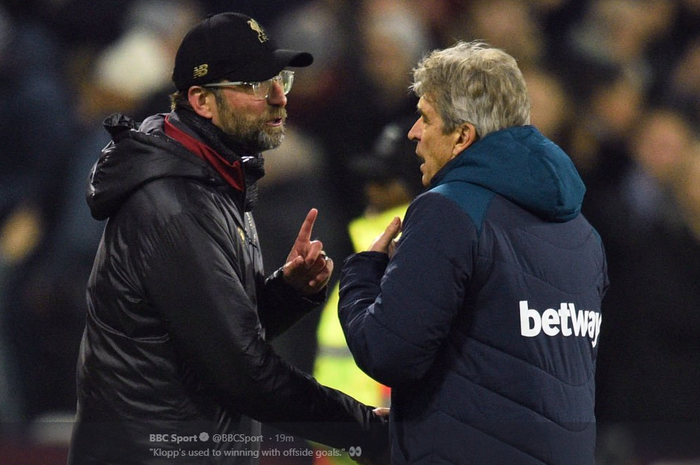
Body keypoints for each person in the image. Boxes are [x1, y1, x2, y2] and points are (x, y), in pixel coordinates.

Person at [67, 12, 388, 465]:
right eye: (258, 86)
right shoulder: (173, 205)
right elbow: (243, 372)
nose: (280, 99)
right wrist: (369, 432)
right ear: (201, 100)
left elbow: (206, 336)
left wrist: (287, 293)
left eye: (283, 81)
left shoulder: (209, 180)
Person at [338, 41, 608, 465]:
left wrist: (363, 273)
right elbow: (523, 373)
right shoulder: (583, 233)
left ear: (463, 135)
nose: (413, 132)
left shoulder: (450, 209)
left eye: (425, 118)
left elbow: (388, 352)